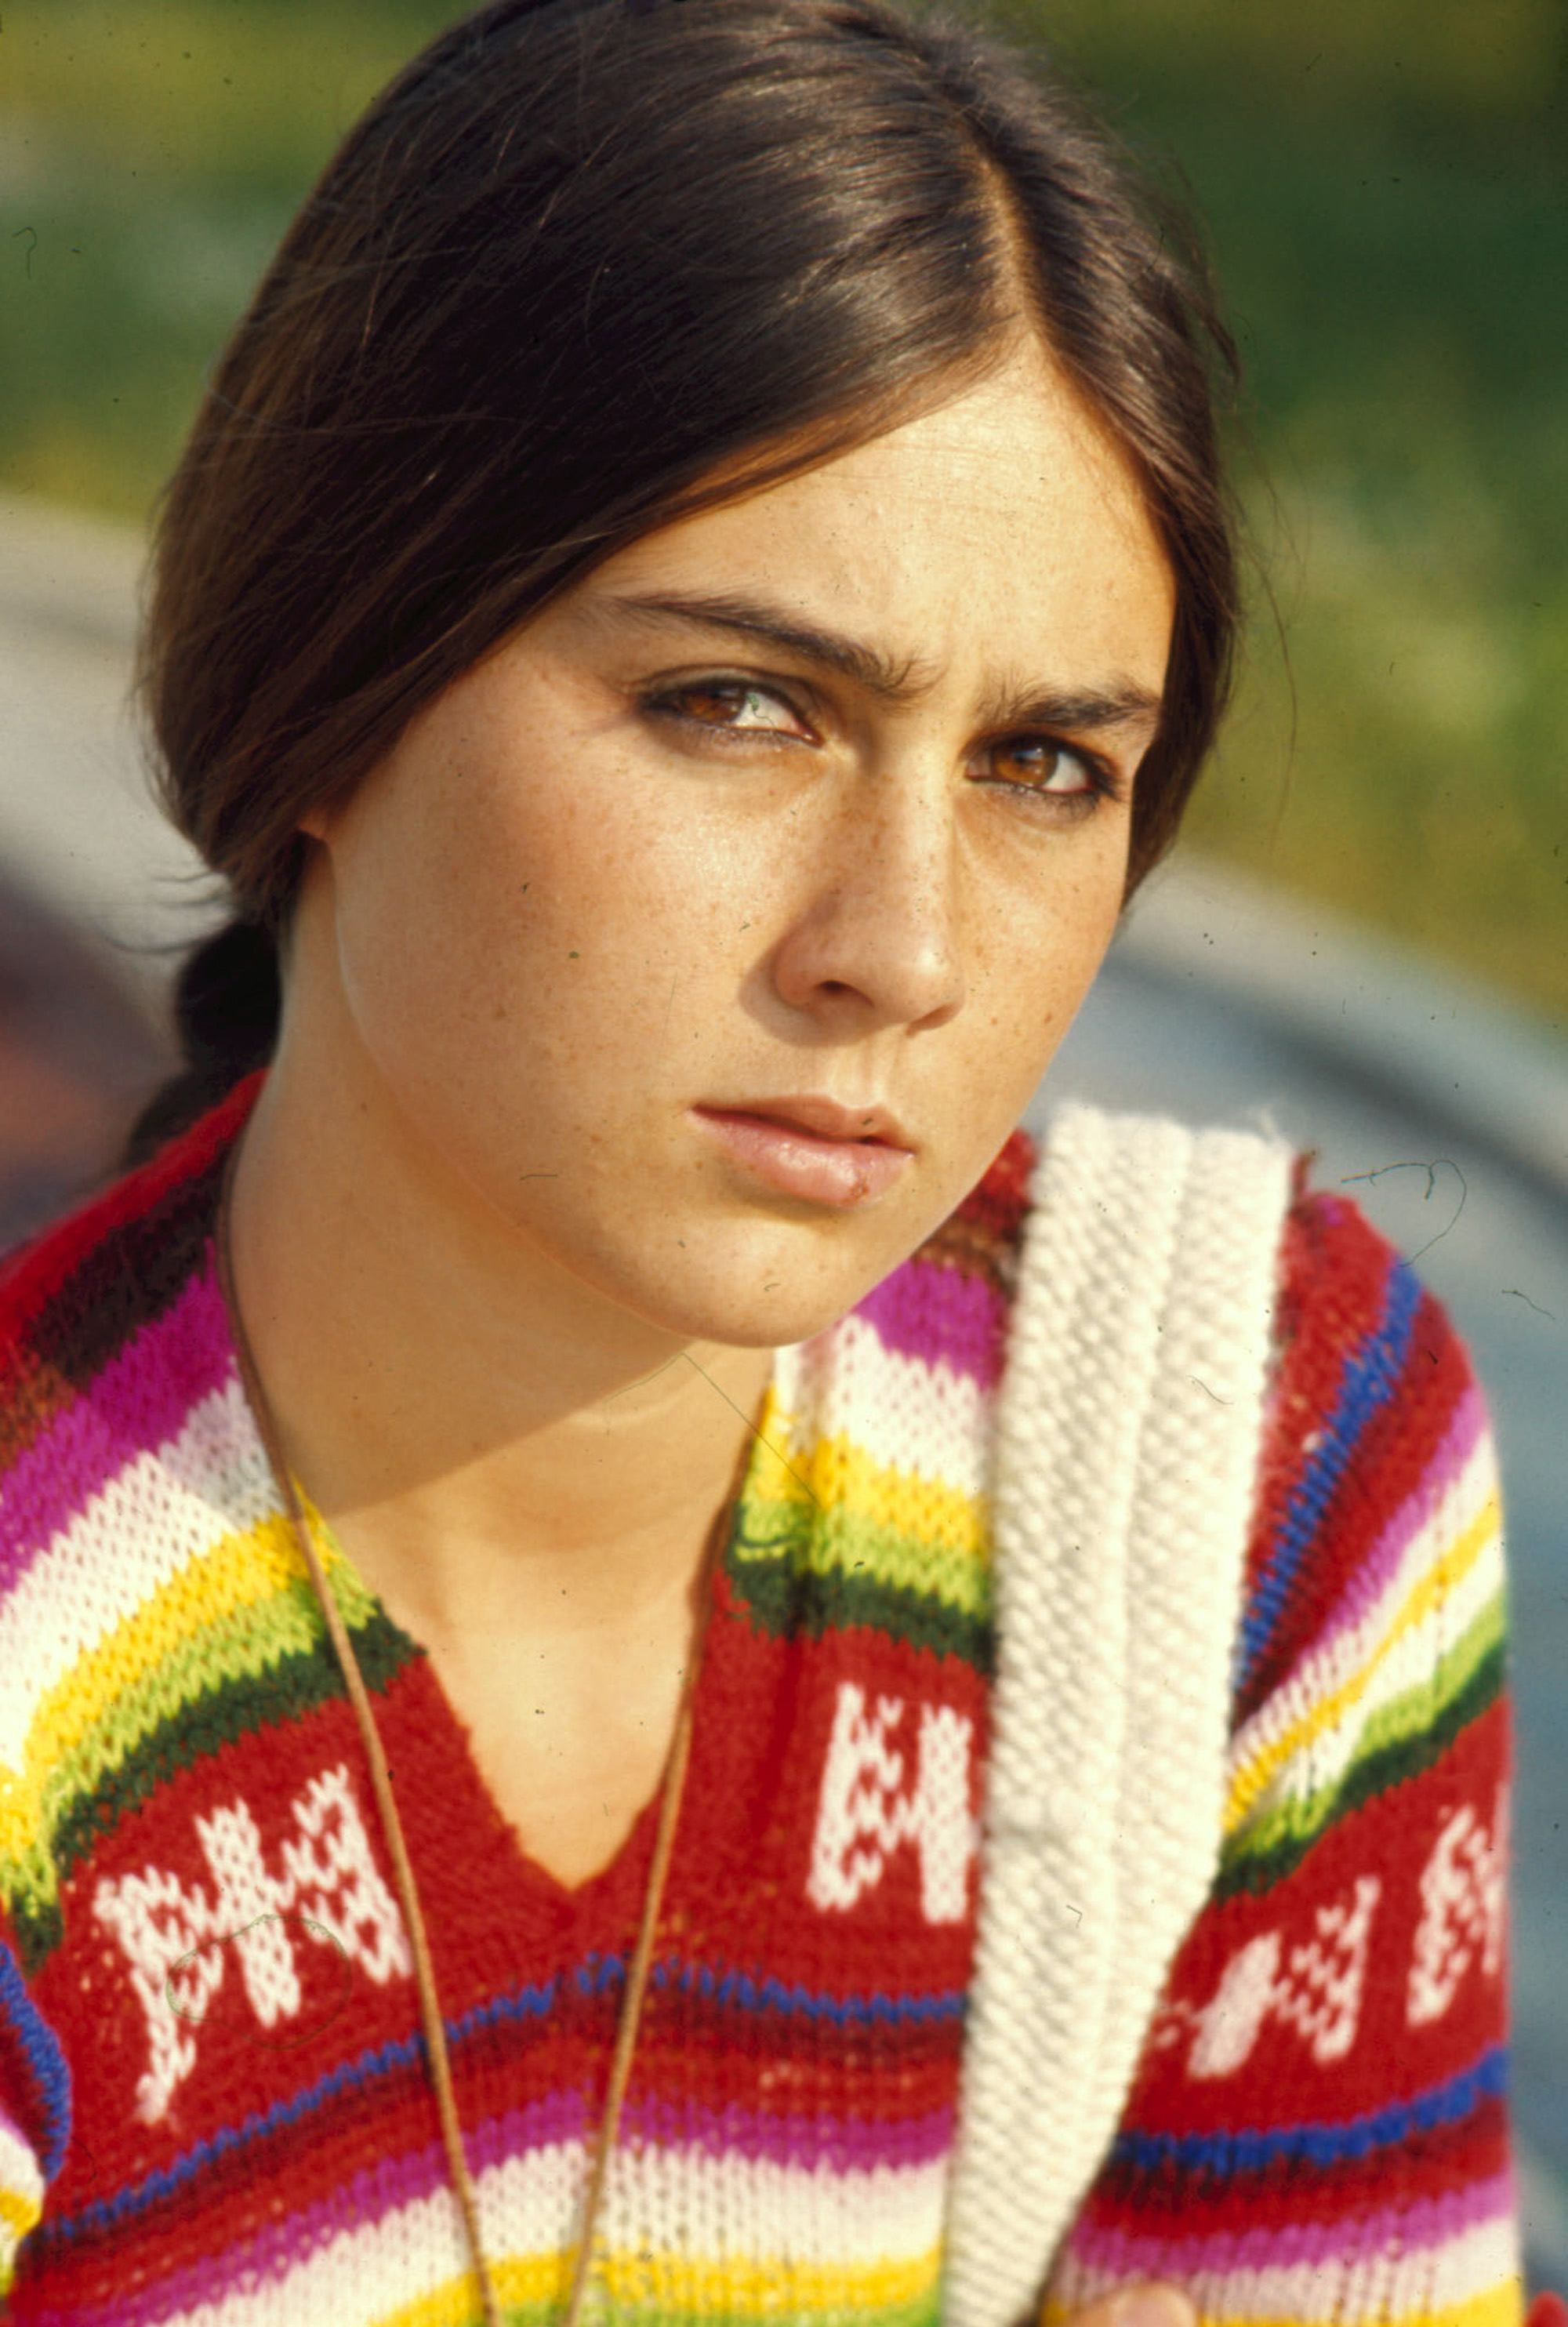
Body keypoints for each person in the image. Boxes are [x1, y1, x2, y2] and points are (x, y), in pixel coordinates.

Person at [0, 2, 1517, 2322]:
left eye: (1042, 766)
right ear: (327, 681)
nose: (901, 951)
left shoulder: (1219, 1461)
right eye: (738, 705)